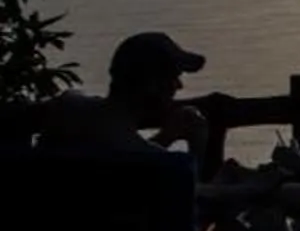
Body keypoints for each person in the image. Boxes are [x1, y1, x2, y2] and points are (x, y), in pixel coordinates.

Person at [34, 31, 214, 157]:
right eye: (174, 77)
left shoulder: (68, 108)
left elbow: (115, 146)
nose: (179, 86)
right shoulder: (162, 165)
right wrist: (199, 142)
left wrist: (166, 137)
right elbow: (190, 192)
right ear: (152, 86)